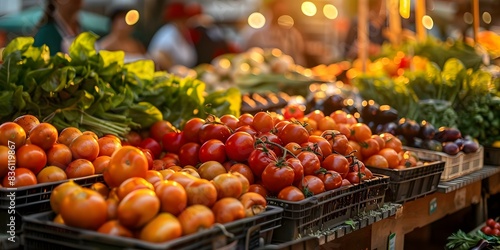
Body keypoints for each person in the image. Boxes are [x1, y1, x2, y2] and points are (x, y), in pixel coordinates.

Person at [243, 0, 306, 66]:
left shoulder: (293, 35)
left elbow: (299, 61)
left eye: (283, 5)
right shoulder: (256, 34)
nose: (281, 9)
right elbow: (247, 57)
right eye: (277, 5)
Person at [147, 2, 197, 70]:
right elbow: (158, 54)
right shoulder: (168, 33)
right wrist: (173, 69)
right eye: (183, 20)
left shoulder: (185, 32)